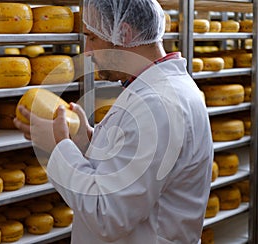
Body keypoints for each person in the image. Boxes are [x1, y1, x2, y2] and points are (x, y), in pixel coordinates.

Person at [14, 0, 214, 243]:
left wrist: (59, 149)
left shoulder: (158, 103)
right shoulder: (159, 89)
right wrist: (87, 141)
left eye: (91, 37)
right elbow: (129, 164)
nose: (87, 52)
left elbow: (107, 216)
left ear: (124, 33)